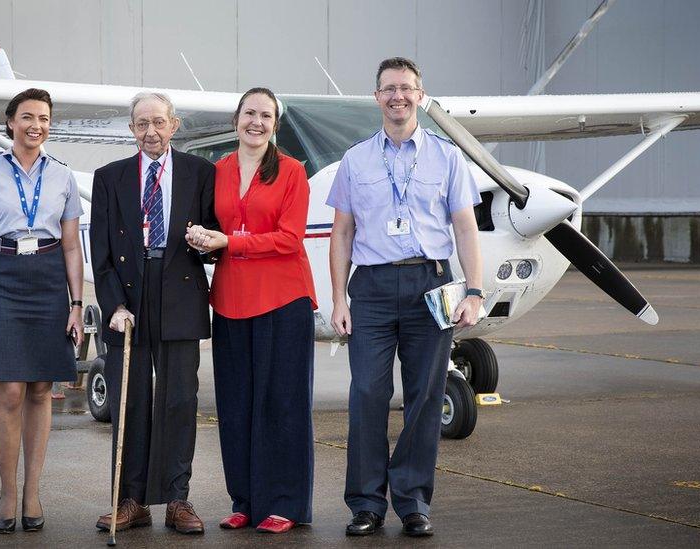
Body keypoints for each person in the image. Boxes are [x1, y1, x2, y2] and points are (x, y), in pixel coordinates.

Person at [327, 57, 485, 537]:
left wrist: (475, 292)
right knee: (368, 394)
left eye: (406, 88)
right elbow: (342, 233)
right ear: (376, 97)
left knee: (424, 396)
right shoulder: (355, 160)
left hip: (430, 284)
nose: (398, 96)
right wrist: (338, 298)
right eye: (388, 89)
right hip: (371, 288)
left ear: (421, 95)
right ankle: (366, 504)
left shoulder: (447, 156)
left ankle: (413, 501)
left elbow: (465, 227)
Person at [186, 87, 317, 535]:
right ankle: (245, 499)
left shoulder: (293, 172)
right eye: (249, 113)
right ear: (236, 119)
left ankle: (285, 503)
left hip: (283, 299)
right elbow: (212, 227)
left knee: (282, 404)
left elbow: (289, 238)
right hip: (230, 301)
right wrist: (201, 239)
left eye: (265, 115)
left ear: (275, 125)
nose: (256, 122)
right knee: (236, 404)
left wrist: (231, 242)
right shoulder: (217, 171)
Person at [89, 91, 218, 535]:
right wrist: (114, 305)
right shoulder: (110, 178)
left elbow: (215, 238)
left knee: (180, 400)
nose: (151, 132)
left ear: (174, 125)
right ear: (131, 130)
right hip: (129, 294)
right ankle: (130, 500)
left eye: (159, 123)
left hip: (180, 291)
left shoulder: (201, 173)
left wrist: (209, 242)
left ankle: (177, 499)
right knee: (132, 399)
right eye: (142, 124)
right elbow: (100, 251)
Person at [0, 88, 85, 534]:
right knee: (10, 391)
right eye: (28, 117)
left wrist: (76, 304)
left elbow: (72, 246)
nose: (37, 125)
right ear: (9, 122)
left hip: (48, 278)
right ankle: (7, 493)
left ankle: (33, 492)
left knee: (40, 389)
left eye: (45, 118)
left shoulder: (63, 177)